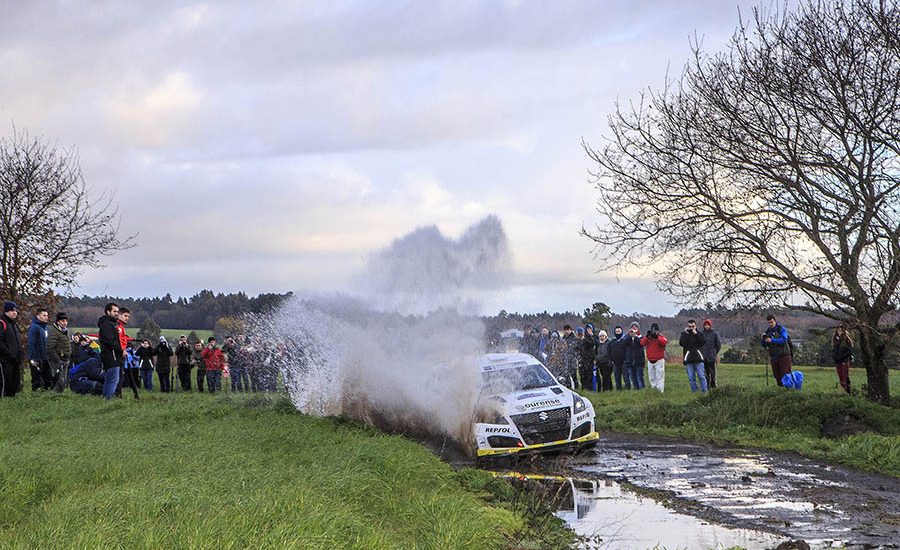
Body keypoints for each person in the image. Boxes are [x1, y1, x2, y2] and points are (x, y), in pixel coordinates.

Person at [98, 302, 122, 400]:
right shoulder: (107, 325)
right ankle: (108, 398)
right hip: (111, 355)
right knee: (113, 379)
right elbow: (110, 341)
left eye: (117, 311)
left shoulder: (111, 324)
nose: (117, 313)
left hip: (111, 354)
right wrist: (120, 350)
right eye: (114, 311)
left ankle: (105, 396)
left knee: (109, 379)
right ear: (108, 312)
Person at [762, 314, 793, 387]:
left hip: (784, 355)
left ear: (775, 321)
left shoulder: (781, 329)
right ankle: (780, 389)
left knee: (785, 374)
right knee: (776, 375)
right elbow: (765, 345)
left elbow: (784, 339)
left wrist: (772, 340)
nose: (770, 324)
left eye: (771, 322)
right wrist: (764, 340)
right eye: (769, 323)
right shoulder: (768, 331)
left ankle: (789, 389)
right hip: (774, 356)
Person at [0, 301, 23, 397]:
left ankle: (12, 396)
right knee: (6, 379)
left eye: (15, 311)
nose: (15, 313)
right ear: (6, 311)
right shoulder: (2, 323)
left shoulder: (13, 324)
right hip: (6, 359)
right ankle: (4, 396)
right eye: (12, 311)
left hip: (15, 359)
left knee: (15, 380)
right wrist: (8, 354)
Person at [679, 319, 708, 393]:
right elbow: (682, 343)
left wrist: (696, 334)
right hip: (688, 359)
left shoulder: (699, 333)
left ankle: (704, 391)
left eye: (693, 326)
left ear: (695, 326)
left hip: (698, 359)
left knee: (701, 376)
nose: (691, 328)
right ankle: (694, 392)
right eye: (690, 326)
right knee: (691, 378)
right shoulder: (684, 334)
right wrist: (686, 334)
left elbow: (702, 342)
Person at [116, 308, 139, 399]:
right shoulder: (118, 327)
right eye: (125, 316)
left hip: (121, 353)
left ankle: (119, 394)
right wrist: (122, 350)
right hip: (120, 354)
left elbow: (123, 339)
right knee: (119, 376)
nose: (127, 318)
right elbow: (118, 340)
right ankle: (118, 395)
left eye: (128, 316)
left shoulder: (121, 327)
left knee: (121, 376)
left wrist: (132, 339)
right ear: (119, 315)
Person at [46, 312, 72, 392]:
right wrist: (57, 360)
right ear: (58, 322)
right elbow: (50, 347)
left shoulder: (65, 331)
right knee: (59, 380)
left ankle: (61, 394)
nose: (65, 323)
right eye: (62, 321)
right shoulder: (53, 331)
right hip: (58, 359)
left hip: (66, 359)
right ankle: (55, 394)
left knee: (64, 380)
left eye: (66, 321)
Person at [27, 307, 52, 391]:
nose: (46, 317)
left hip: (46, 357)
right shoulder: (34, 327)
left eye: (47, 315)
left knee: (47, 378)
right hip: (37, 357)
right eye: (44, 315)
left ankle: (46, 392)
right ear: (38, 316)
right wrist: (32, 358)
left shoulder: (46, 328)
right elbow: (31, 343)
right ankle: (36, 394)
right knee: (37, 378)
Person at [641, 322, 668, 392]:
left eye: (655, 330)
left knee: (660, 376)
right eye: (653, 330)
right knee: (651, 377)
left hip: (659, 360)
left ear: (658, 331)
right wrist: (646, 336)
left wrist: (657, 337)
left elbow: (664, 342)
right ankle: (653, 390)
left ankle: (660, 391)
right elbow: (642, 343)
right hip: (650, 360)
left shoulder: (661, 337)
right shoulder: (649, 338)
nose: (654, 332)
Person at [623, 321, 645, 390]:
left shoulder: (641, 337)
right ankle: (636, 390)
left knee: (639, 377)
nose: (634, 328)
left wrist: (635, 337)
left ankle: (642, 390)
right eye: (632, 327)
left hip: (639, 361)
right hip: (630, 361)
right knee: (633, 378)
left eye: (636, 327)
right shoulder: (627, 337)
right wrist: (630, 336)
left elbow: (641, 344)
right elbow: (623, 344)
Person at [701, 319, 722, 389]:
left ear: (710, 325)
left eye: (708, 325)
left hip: (712, 357)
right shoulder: (702, 333)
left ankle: (714, 386)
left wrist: (715, 352)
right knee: (705, 373)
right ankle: (707, 386)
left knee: (713, 373)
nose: (707, 326)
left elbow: (718, 345)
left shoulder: (714, 333)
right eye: (705, 325)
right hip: (704, 357)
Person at [575, 326, 596, 390]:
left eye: (581, 333)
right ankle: (583, 388)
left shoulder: (587, 340)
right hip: (581, 360)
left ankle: (589, 389)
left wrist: (589, 335)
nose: (580, 335)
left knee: (589, 375)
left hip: (588, 360)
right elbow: (576, 350)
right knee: (582, 375)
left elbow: (592, 343)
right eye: (579, 333)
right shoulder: (576, 341)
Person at [832, 326, 853, 394]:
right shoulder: (835, 340)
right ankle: (846, 391)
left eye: (841, 330)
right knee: (841, 378)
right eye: (838, 330)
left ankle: (848, 391)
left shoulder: (846, 340)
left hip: (844, 360)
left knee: (845, 377)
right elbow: (834, 351)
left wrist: (846, 357)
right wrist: (835, 357)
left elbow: (849, 351)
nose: (839, 332)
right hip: (838, 361)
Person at [609, 325, 629, 390]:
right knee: (617, 378)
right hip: (615, 363)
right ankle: (618, 390)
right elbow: (609, 351)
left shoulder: (625, 340)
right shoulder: (612, 341)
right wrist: (611, 359)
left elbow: (628, 351)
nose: (618, 332)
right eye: (617, 331)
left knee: (626, 377)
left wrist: (626, 360)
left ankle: (627, 389)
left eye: (619, 331)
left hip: (624, 362)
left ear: (621, 332)